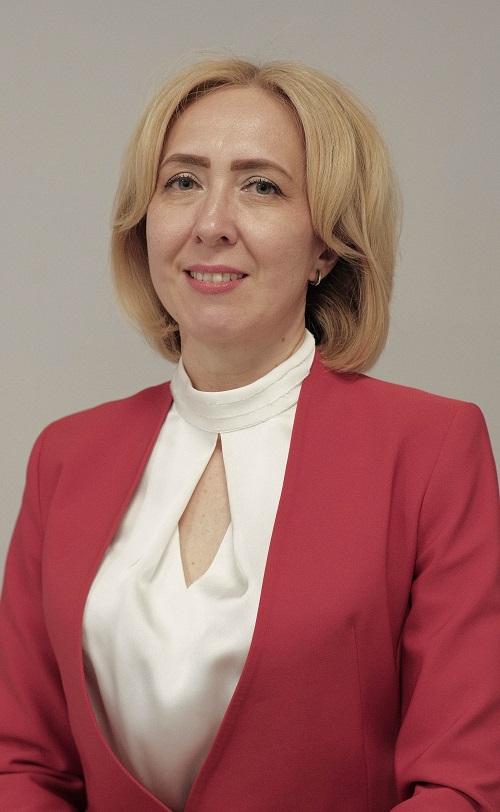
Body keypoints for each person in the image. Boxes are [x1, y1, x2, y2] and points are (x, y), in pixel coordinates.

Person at [0, 57, 499, 812]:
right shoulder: (65, 457)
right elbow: (23, 764)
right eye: (182, 181)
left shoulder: (431, 450)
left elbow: (462, 783)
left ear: (326, 243)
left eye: (261, 186)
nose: (211, 224)